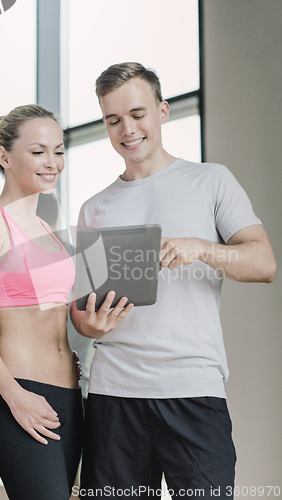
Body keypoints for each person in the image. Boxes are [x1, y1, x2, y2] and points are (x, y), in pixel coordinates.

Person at [70, 62, 277, 500]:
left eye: (138, 114)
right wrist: (88, 325)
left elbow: (263, 263)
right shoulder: (94, 207)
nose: (127, 129)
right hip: (113, 394)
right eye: (113, 120)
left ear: (163, 111)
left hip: (192, 389)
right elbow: (81, 308)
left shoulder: (210, 181)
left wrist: (202, 248)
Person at [0, 105, 107, 500]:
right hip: (20, 393)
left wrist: (94, 322)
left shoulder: (48, 231)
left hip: (69, 396)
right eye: (39, 151)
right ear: (5, 157)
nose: (53, 162)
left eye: (59, 151)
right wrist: (15, 396)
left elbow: (61, 316)